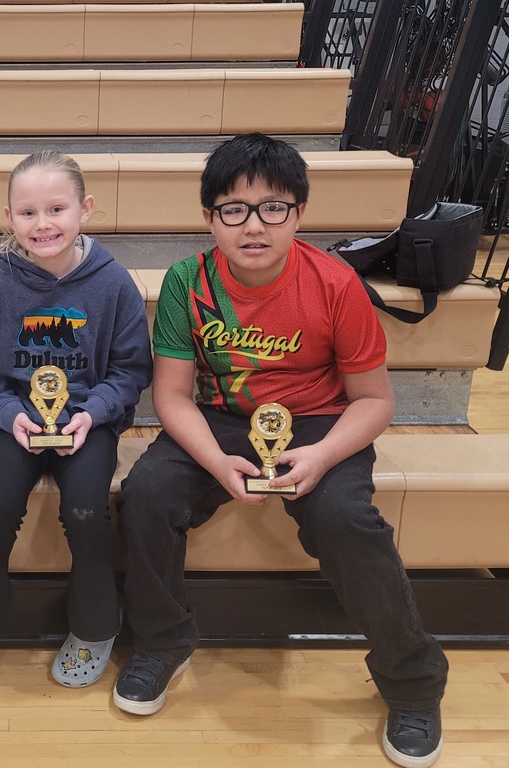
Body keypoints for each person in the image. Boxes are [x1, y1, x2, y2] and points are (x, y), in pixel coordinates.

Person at [113, 133, 448, 768]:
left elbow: (375, 402)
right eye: (233, 209)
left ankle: (413, 680)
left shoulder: (336, 282)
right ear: (210, 216)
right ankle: (161, 643)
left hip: (322, 423)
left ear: (299, 212)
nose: (254, 225)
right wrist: (216, 460)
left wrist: (321, 458)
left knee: (346, 520)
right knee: (146, 495)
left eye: (274, 207)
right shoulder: (189, 281)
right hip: (220, 419)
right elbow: (173, 396)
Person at [0, 150, 152, 688]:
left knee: (86, 511)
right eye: (28, 212)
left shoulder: (114, 283)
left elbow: (131, 370)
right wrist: (10, 414)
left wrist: (92, 414)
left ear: (85, 209)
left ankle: (95, 625)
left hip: (89, 422)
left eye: (56, 209)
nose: (43, 224)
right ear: (9, 216)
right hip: (17, 422)